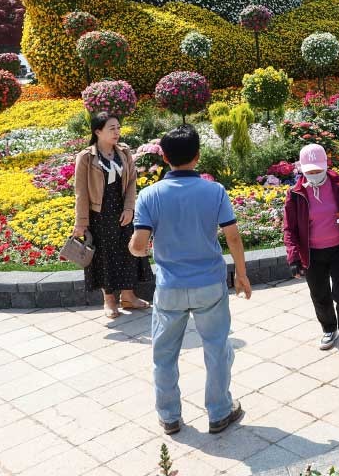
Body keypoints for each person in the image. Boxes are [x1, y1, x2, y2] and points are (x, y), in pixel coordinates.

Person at [129, 126, 250, 436]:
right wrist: (241, 274)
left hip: (169, 287)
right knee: (217, 348)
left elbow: (139, 245)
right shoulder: (215, 191)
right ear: (198, 156)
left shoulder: (149, 195)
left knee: (164, 354)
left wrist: (136, 245)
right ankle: (220, 412)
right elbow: (233, 237)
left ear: (165, 157)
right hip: (209, 284)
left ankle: (169, 417)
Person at [283, 143, 339, 362]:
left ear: (326, 165)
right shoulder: (295, 193)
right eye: (310, 171)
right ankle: (329, 328)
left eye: (318, 170)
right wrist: (293, 257)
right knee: (319, 294)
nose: (315, 174)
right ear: (302, 169)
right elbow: (289, 228)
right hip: (312, 254)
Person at [73, 112, 150, 318]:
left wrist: (129, 208)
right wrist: (81, 222)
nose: (117, 132)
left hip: (121, 211)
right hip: (99, 214)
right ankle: (109, 301)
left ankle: (129, 296)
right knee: (105, 256)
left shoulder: (123, 152)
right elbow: (81, 192)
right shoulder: (86, 157)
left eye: (118, 128)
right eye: (111, 129)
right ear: (98, 131)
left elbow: (132, 181)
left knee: (128, 251)